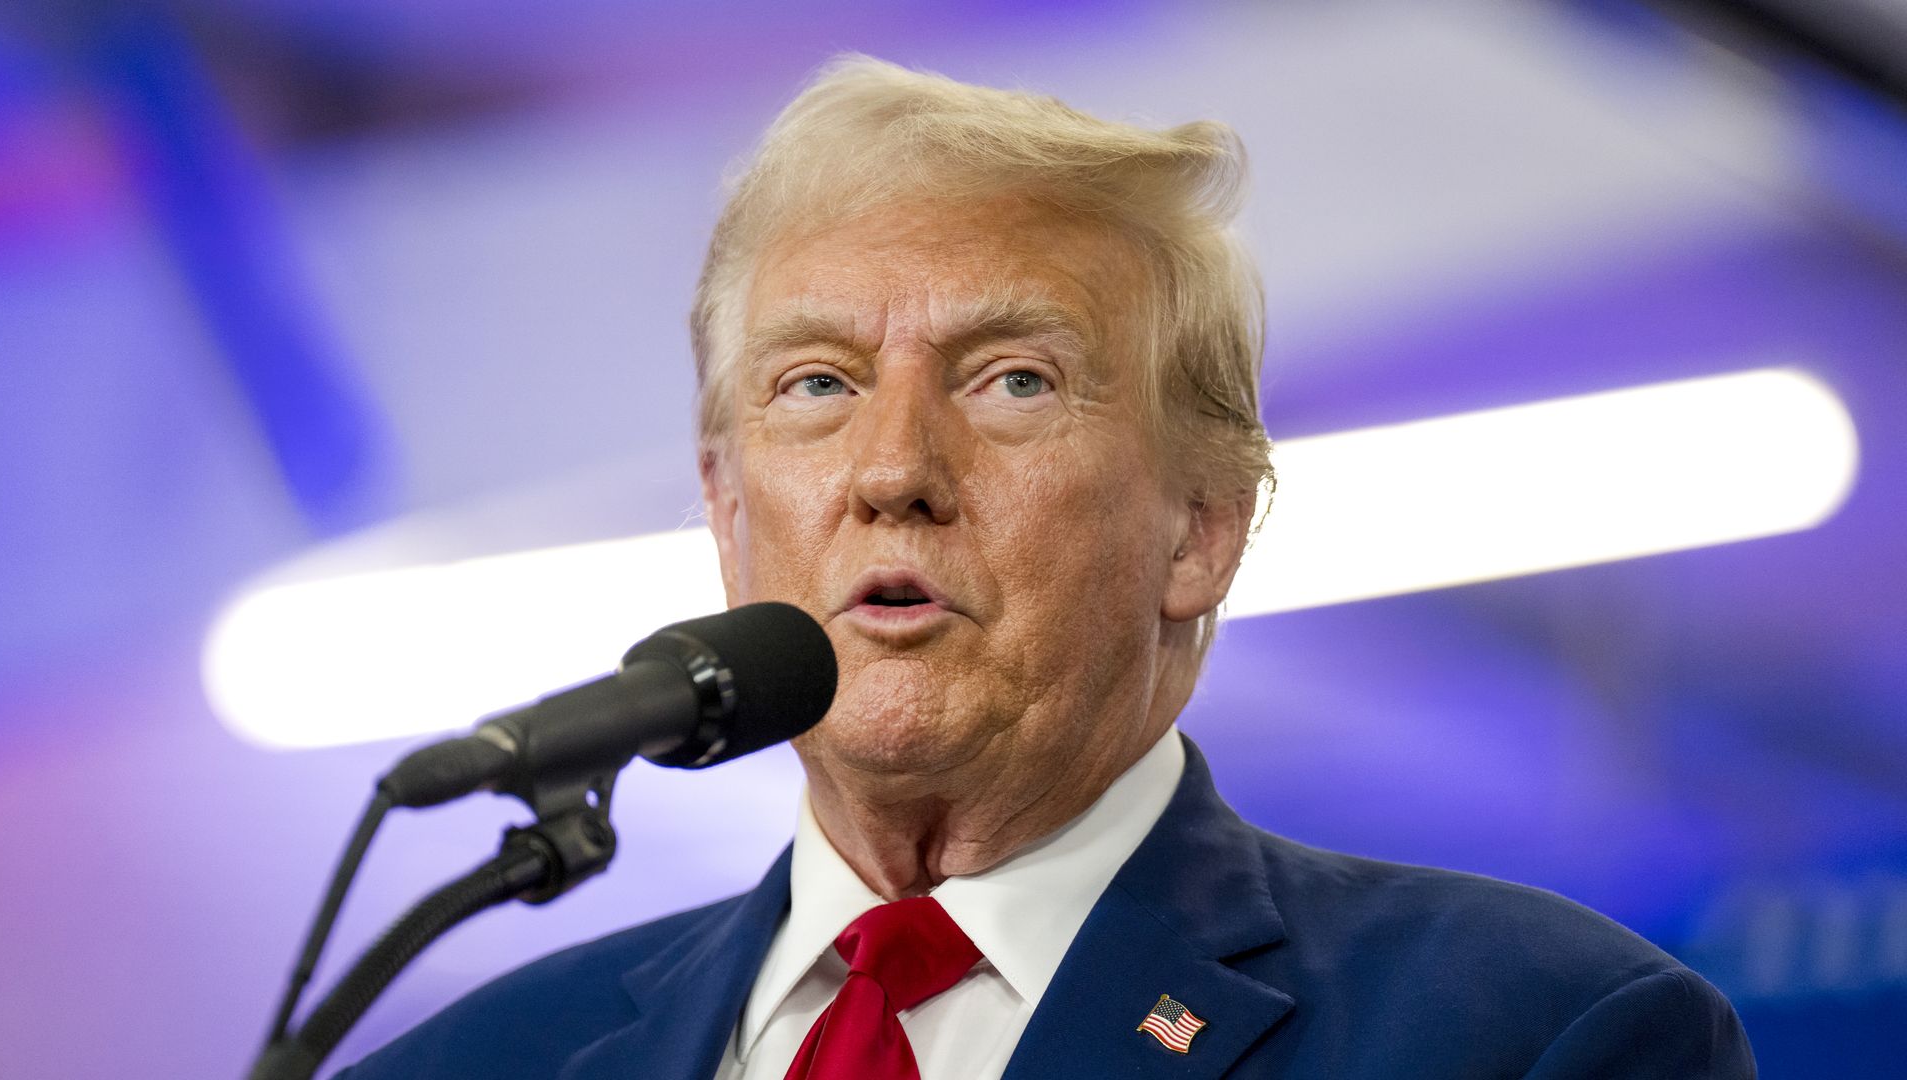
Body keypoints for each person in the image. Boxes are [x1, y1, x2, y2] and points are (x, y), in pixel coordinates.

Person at [336, 56, 1754, 1079]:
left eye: (1013, 381)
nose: (893, 470)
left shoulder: (1533, 1036)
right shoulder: (465, 1065)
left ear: (1201, 528)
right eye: (818, 385)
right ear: (727, 510)